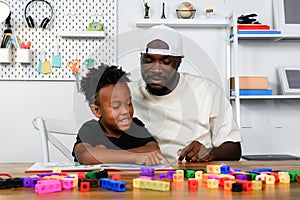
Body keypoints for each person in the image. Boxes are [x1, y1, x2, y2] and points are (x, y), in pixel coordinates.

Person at [129, 24, 242, 163]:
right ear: (141, 60)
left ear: (178, 62)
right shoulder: (126, 94)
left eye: (165, 62)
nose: (156, 69)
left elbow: (234, 148)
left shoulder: (207, 91)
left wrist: (210, 153)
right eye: (148, 60)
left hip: (192, 173)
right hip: (142, 173)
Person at [72, 63, 169, 166]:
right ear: (97, 111)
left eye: (129, 104)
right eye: (116, 106)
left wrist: (104, 154)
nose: (125, 111)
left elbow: (153, 149)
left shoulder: (135, 127)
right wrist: (135, 157)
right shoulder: (91, 129)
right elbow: (85, 155)